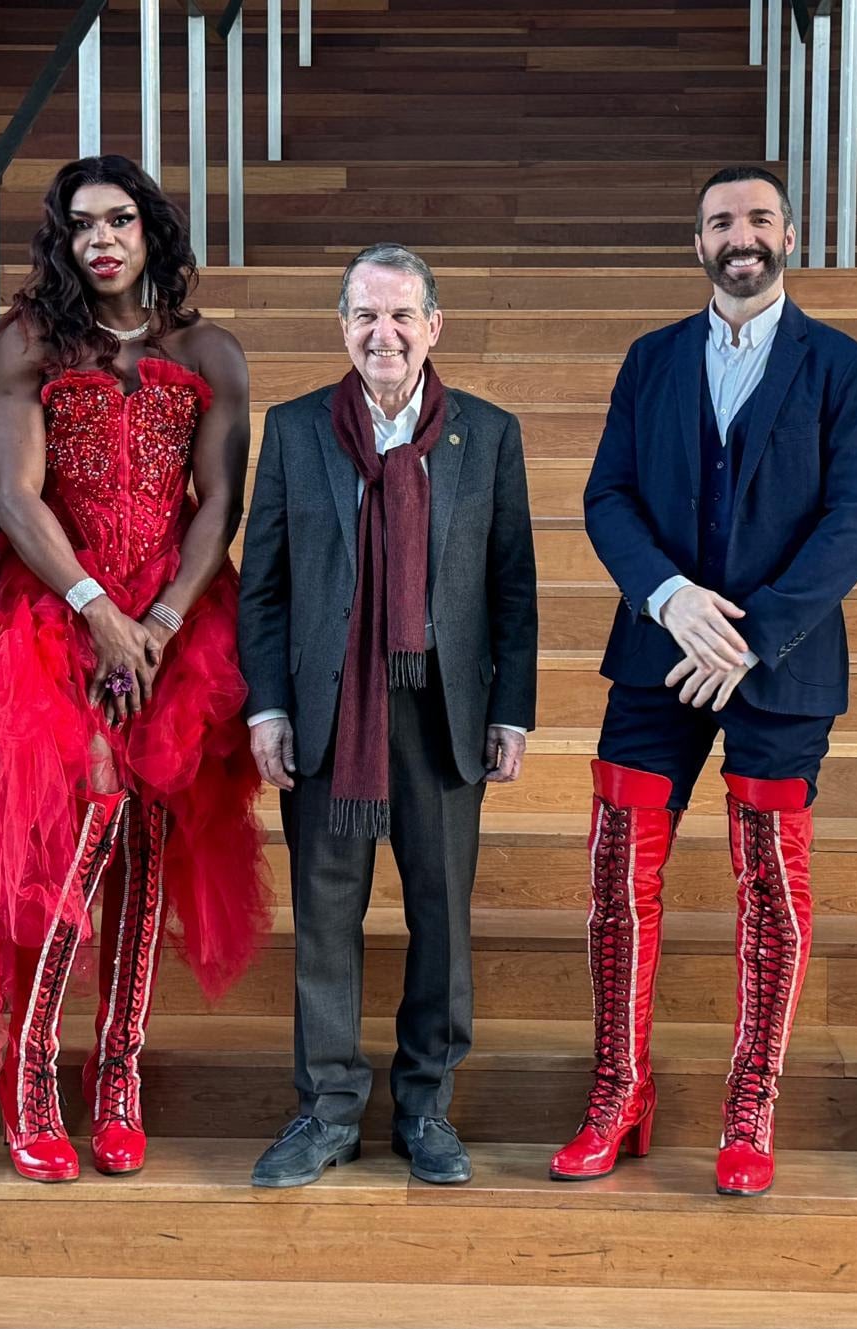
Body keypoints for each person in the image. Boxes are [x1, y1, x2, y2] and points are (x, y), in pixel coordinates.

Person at [0, 155, 270, 1183]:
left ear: (153, 232)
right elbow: (18, 497)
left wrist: (157, 619)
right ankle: (30, 1077)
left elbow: (220, 503)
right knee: (88, 824)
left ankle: (116, 1073)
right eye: (82, 226)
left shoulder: (212, 350)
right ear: (63, 241)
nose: (102, 239)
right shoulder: (26, 337)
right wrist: (97, 613)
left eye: (120, 220)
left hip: (180, 619)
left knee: (151, 838)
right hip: (54, 612)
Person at [550, 167, 857, 1196]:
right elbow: (605, 495)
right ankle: (619, 1090)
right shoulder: (651, 359)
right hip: (657, 653)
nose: (738, 237)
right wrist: (666, 597)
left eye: (755, 219)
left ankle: (753, 1102)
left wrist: (750, 635)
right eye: (717, 222)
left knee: (770, 890)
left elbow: (856, 520)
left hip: (781, 665)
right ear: (695, 241)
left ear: (787, 234)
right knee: (617, 873)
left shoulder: (837, 363)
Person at [238, 242, 538, 1188]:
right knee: (327, 915)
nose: (385, 333)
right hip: (331, 716)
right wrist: (269, 705)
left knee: (441, 917)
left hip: (444, 710)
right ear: (343, 327)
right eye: (366, 315)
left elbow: (511, 587)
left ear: (434, 326)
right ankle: (327, 1111)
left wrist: (513, 710)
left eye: (403, 314)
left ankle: (426, 1108)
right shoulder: (292, 431)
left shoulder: (486, 435)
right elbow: (266, 589)